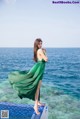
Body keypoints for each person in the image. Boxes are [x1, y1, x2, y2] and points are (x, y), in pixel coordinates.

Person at [8, 38, 48, 115]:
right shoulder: (40, 50)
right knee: (37, 87)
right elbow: (46, 59)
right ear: (36, 44)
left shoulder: (39, 50)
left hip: (40, 69)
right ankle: (35, 106)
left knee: (38, 87)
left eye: (41, 43)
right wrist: (45, 52)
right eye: (39, 43)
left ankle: (38, 102)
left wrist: (44, 52)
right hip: (38, 70)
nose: (40, 45)